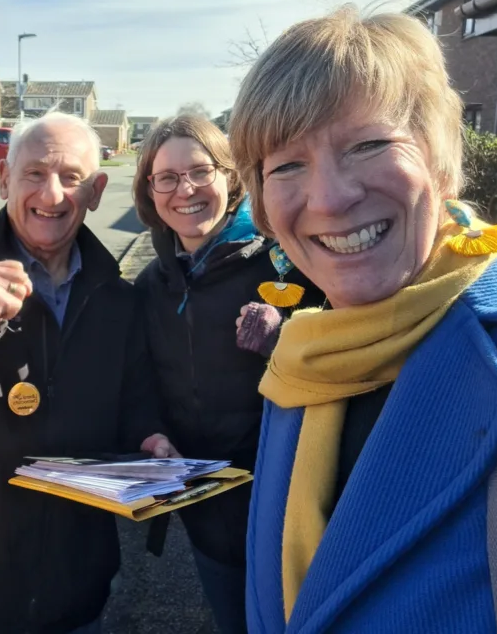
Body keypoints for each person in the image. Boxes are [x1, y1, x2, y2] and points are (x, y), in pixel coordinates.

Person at [229, 6, 497, 633]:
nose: (330, 197)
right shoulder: (305, 363)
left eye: (368, 144)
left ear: (440, 159)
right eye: (286, 164)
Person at [0, 112, 177, 634]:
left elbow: (134, 399)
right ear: (3, 178)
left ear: (96, 191)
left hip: (77, 581)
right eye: (34, 174)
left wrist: (150, 439)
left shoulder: (116, 297)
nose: (52, 194)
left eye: (72, 177)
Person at [131, 113, 320, 634]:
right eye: (166, 177)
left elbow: (351, 344)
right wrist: (153, 432)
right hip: (209, 510)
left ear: (230, 175)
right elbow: (142, 380)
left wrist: (287, 337)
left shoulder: (286, 261)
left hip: (292, 509)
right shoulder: (152, 285)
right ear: (151, 189)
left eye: (200, 171)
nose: (184, 190)